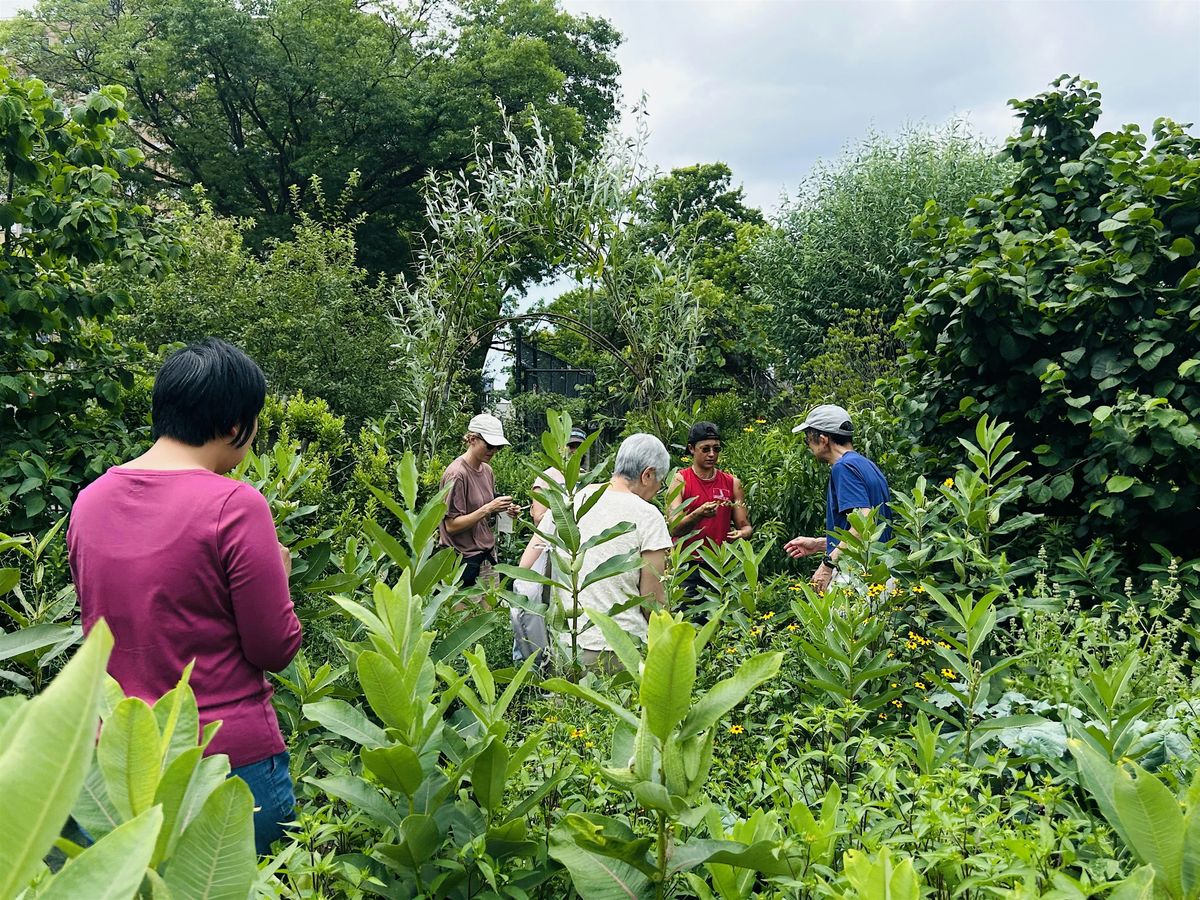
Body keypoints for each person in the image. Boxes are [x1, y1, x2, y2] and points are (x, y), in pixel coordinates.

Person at [67, 338, 302, 856]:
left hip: (117, 764)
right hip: (224, 763)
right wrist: (280, 578)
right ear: (237, 424)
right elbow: (274, 648)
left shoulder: (89, 502)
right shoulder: (236, 504)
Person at [519, 433, 673, 670]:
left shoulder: (567, 503)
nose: (657, 491)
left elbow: (526, 570)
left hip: (565, 647)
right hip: (623, 650)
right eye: (659, 483)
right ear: (648, 475)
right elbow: (652, 600)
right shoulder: (648, 515)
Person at [783, 404, 892, 593]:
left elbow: (863, 523)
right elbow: (869, 535)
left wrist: (827, 566)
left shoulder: (843, 468)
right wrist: (820, 544)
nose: (808, 445)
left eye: (807, 438)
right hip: (880, 575)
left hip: (856, 577)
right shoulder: (866, 465)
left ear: (823, 439)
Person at [667, 422, 753, 599]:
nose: (712, 454)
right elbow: (674, 527)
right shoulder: (680, 480)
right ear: (691, 449)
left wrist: (742, 533)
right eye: (705, 449)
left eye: (716, 449)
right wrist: (698, 514)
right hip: (686, 565)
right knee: (685, 612)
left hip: (719, 565)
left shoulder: (732, 483)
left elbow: (745, 526)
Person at [439, 413, 520, 589]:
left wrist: (504, 510)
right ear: (472, 439)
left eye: (498, 447)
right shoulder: (457, 474)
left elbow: (484, 514)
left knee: (490, 607)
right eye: (490, 446)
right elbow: (451, 526)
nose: (494, 451)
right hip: (461, 561)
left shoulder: (487, 471)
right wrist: (489, 508)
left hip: (487, 556)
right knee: (464, 608)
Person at [530, 427, 588, 526]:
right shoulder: (546, 478)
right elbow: (538, 518)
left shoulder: (587, 477)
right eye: (571, 446)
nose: (575, 451)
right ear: (560, 448)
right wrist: (564, 514)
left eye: (579, 447)